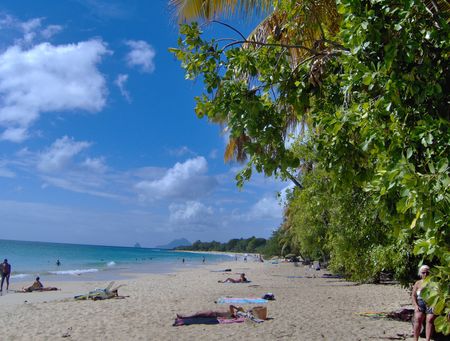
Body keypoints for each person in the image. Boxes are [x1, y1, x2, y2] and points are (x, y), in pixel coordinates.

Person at [412, 265, 436, 341]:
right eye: (423, 273)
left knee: (430, 319)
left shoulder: (433, 283)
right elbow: (413, 295)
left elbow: (437, 295)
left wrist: (434, 305)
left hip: (431, 302)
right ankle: (415, 339)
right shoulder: (418, 283)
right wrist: (416, 306)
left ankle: (427, 339)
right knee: (418, 318)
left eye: (427, 273)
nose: (425, 274)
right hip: (420, 302)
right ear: (420, 274)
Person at [177, 305, 244, 319]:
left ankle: (184, 316)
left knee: (197, 314)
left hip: (212, 313)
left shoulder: (232, 313)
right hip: (212, 313)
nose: (237, 307)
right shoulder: (231, 314)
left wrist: (236, 308)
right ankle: (185, 316)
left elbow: (231, 305)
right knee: (198, 313)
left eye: (238, 307)